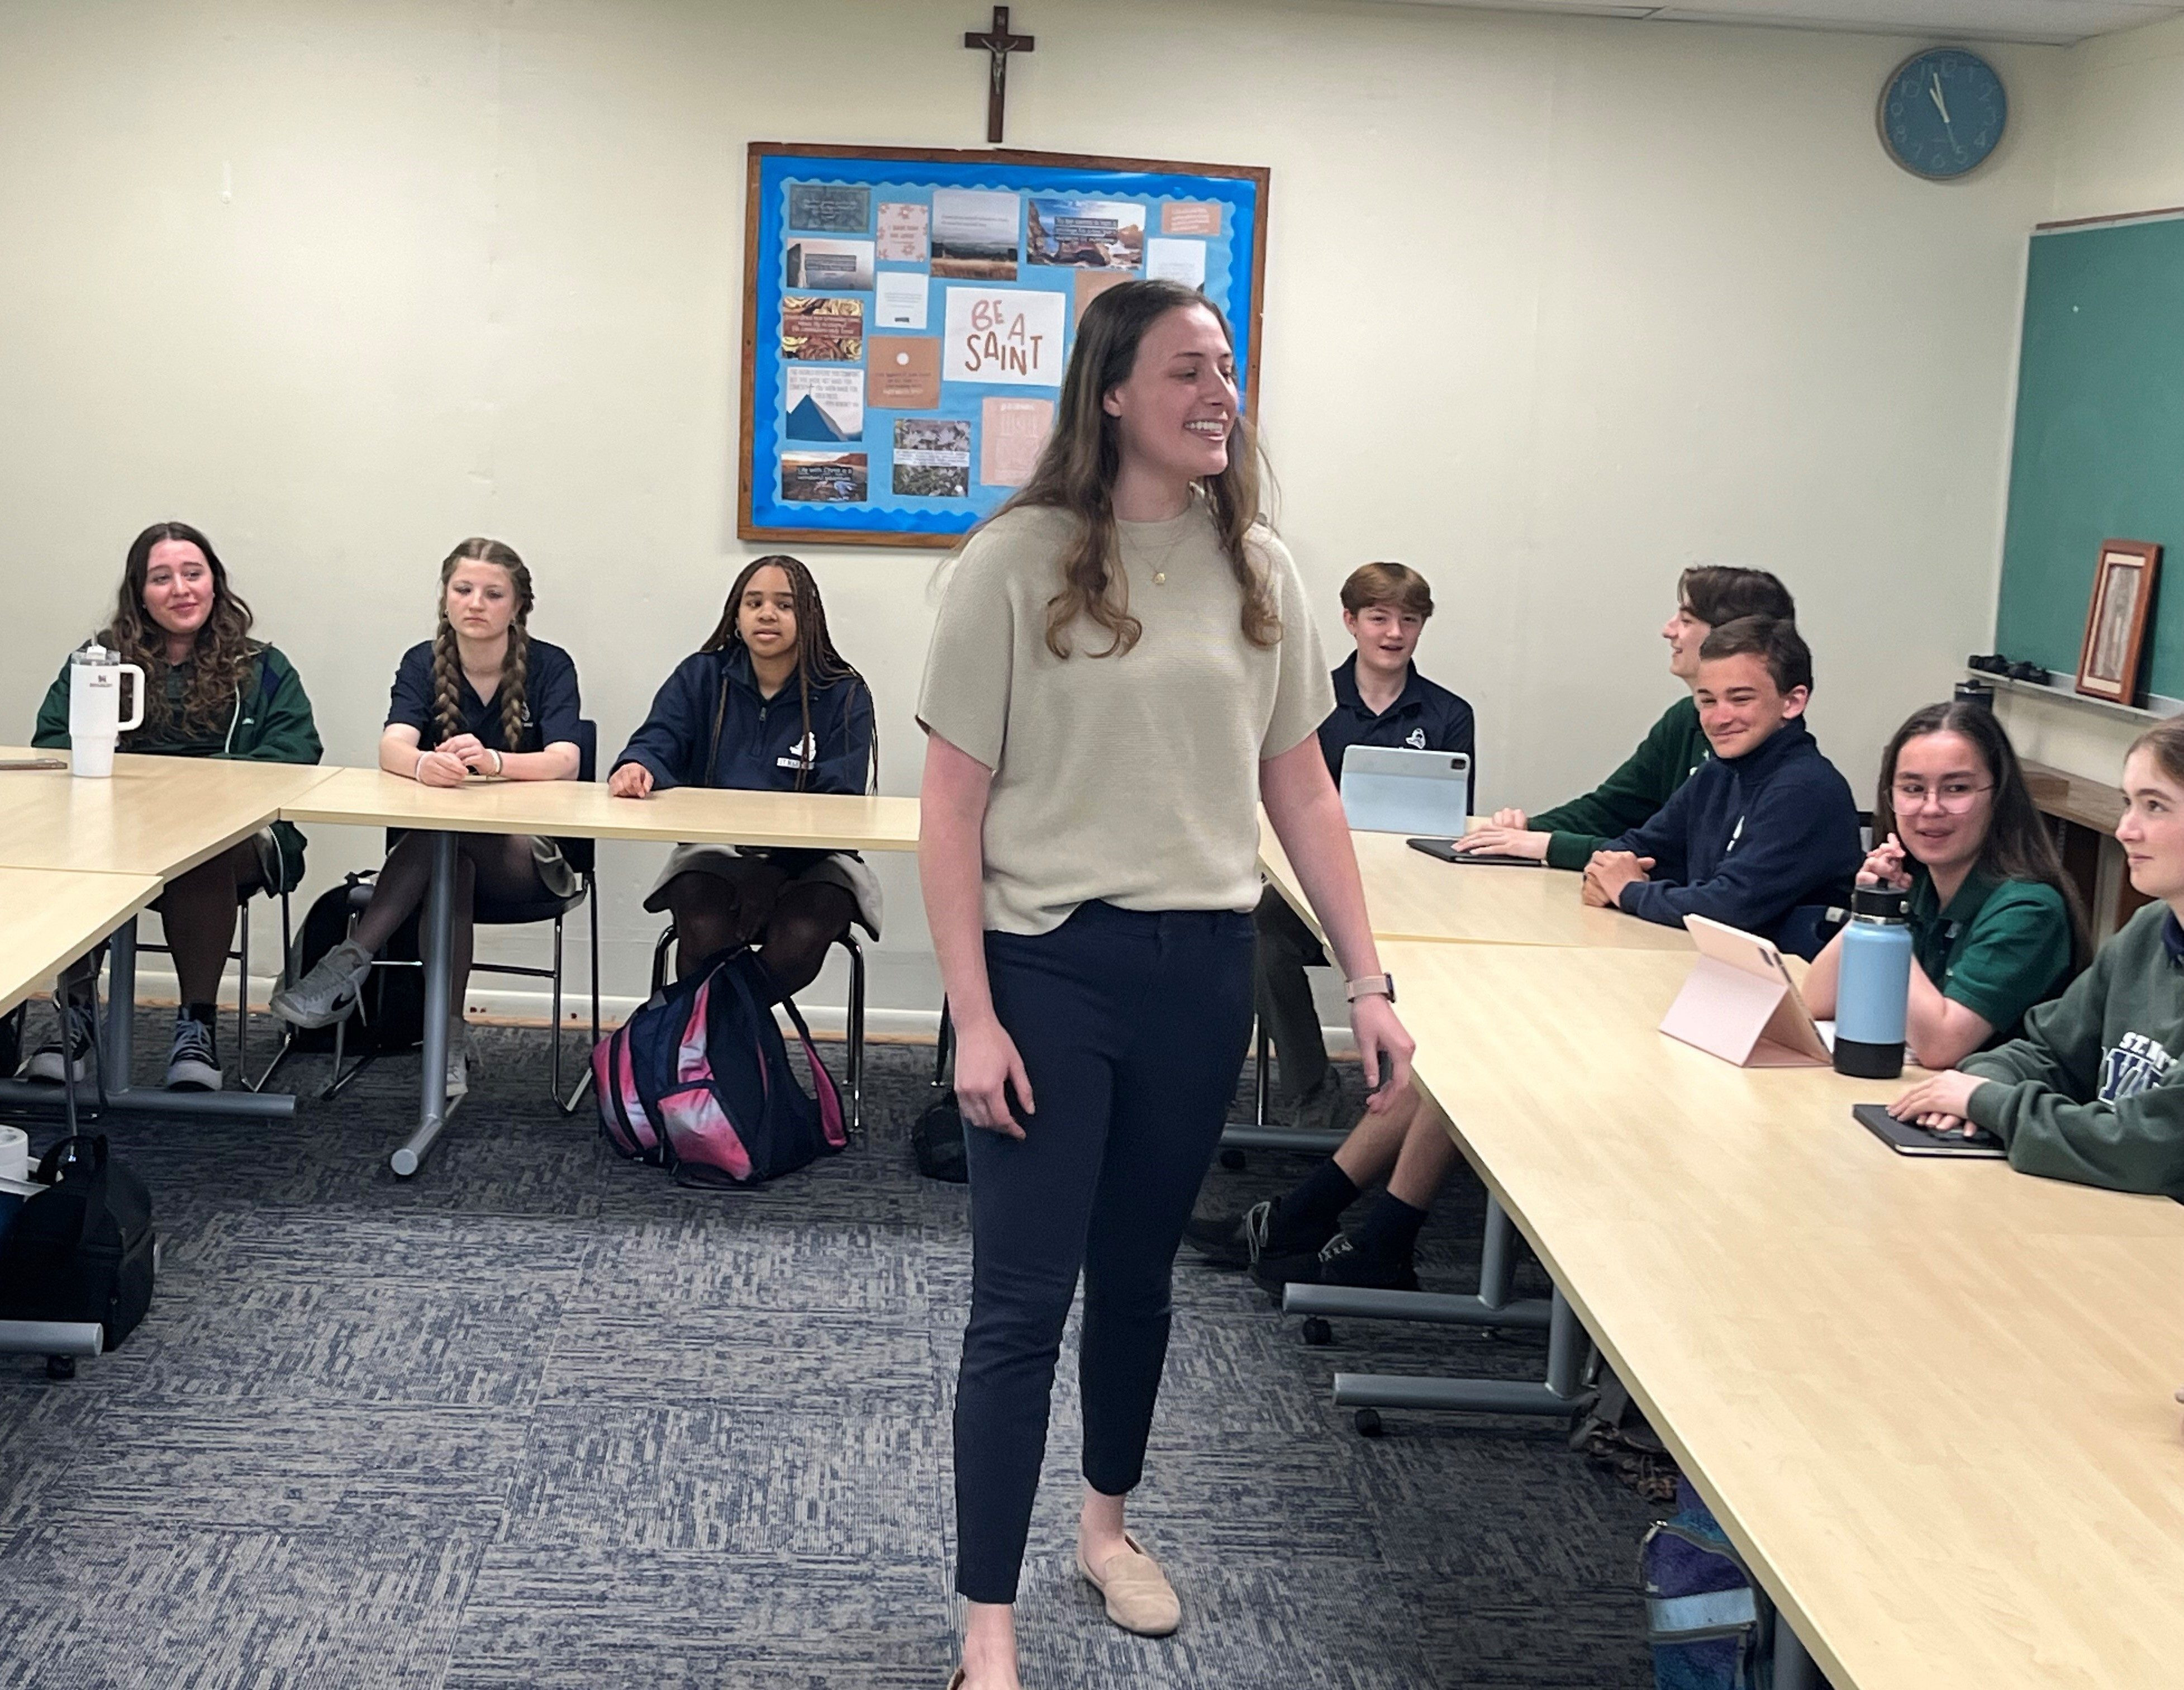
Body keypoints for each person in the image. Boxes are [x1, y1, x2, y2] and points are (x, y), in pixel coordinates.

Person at [917, 277, 1414, 1690]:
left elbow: (1301, 791)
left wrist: (1365, 980)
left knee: (1136, 1282)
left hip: (1200, 968)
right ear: (1113, 392)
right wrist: (970, 1016)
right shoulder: (1011, 564)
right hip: (1046, 968)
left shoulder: (1258, 565)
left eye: (1228, 368)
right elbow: (948, 810)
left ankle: (1107, 1528)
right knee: (1020, 1304)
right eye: (1186, 368)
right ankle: (987, 1629)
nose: (1218, 392)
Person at [270, 538, 581, 1097]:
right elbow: (392, 746)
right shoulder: (423, 662)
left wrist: (494, 763)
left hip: (530, 859)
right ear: (445, 598)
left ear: (518, 606)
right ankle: (447, 1038)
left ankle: (350, 959)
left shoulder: (550, 666)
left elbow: (566, 760)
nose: (476, 604)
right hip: (444, 862)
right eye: (463, 590)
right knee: (450, 862)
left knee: (447, 835)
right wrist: (422, 766)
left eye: (493, 593)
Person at [26, 521, 321, 1090]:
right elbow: (52, 744)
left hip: (232, 836)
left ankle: (196, 1026)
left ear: (215, 584)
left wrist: (198, 794)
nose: (181, 589)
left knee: (200, 855)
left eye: (193, 574)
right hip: (114, 829)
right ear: (140, 592)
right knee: (72, 849)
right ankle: (77, 1018)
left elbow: (294, 753)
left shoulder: (263, 668)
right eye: (162, 579)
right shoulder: (96, 663)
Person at [1888, 717, 2184, 1199]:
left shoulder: (2028, 904)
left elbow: (2149, 1150)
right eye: (2127, 803)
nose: (2125, 830)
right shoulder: (2149, 930)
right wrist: (1978, 1087)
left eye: (2154, 806)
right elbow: (2046, 1051)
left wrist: (1990, 1103)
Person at [1255, 561, 1471, 1133]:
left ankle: (1425, 1099)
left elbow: (1449, 825)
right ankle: (1309, 1089)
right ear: (1351, 622)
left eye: (1408, 620)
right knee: (1258, 936)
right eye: (1379, 618)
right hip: (1317, 887)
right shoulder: (1311, 704)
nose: (1394, 633)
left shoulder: (1450, 715)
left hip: (1414, 893)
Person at [608, 553, 881, 991]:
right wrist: (636, 765)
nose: (767, 614)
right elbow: (659, 739)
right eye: (754, 603)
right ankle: (732, 1049)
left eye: (784, 604)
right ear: (737, 615)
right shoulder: (701, 676)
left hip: (817, 860)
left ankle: (707, 1041)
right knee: (702, 925)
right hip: (714, 851)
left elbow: (840, 802)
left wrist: (776, 871)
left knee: (801, 935)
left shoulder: (844, 693)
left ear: (808, 616)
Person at [1805, 701, 2086, 1067]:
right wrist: (1869, 909)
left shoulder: (2029, 909)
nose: (1931, 808)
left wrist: (1885, 923)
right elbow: (1815, 1000)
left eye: (1955, 789)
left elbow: (1941, 1047)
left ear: (1997, 796)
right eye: (1912, 788)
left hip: (1991, 1112)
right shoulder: (1916, 882)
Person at [1454, 566, 1795, 865]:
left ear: (1731, 637)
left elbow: (1677, 859)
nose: (1669, 630)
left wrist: (1548, 845)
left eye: (1686, 621)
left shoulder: (1772, 764)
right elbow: (1613, 810)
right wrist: (1523, 832)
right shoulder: (1685, 718)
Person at [1580, 616, 1861, 955]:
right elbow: (1628, 851)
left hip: (1793, 994)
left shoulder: (1807, 790)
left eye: (1740, 699)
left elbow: (1729, 908)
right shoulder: (1717, 775)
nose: (1719, 718)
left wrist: (1628, 891)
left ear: (1793, 702)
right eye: (1707, 701)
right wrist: (1607, 875)